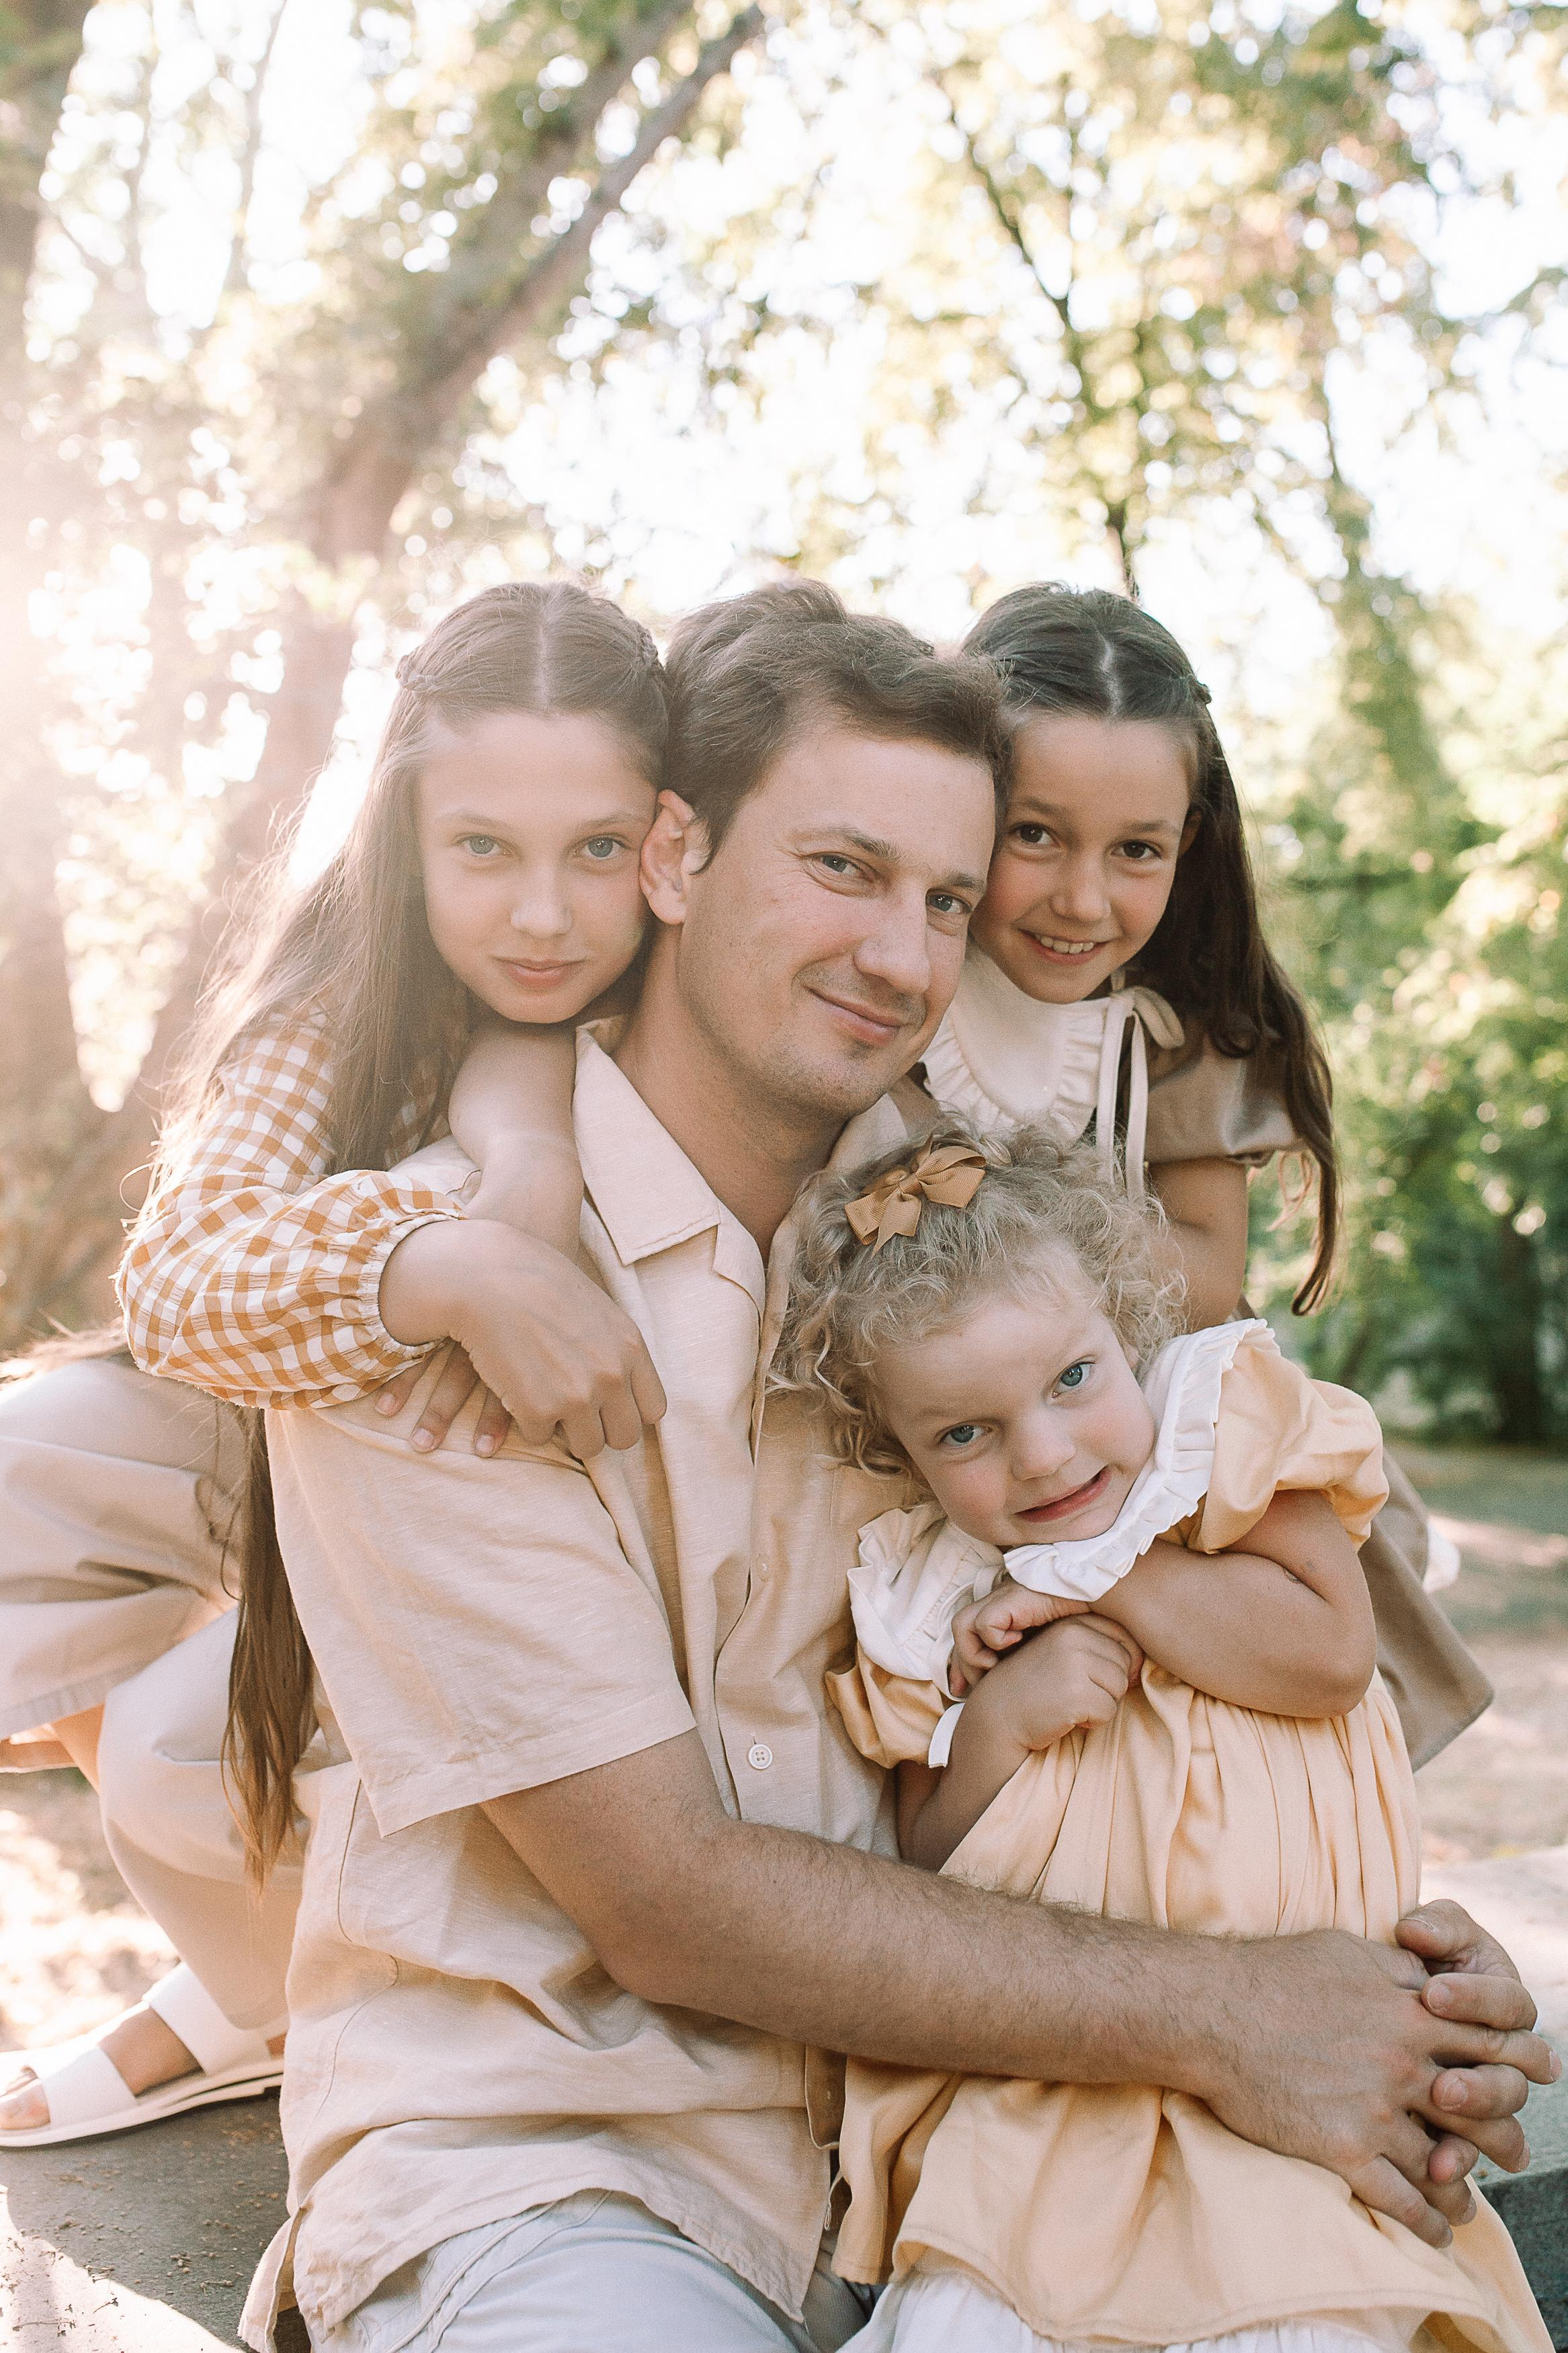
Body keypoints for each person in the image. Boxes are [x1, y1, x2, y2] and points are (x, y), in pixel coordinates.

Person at [132, 584, 1544, 2353]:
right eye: (844, 869)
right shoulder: (446, 1289)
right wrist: (1229, 2007)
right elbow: (664, 1894)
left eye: (947, 897)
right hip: (567, 2154)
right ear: (672, 851)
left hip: (1011, 2123)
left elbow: (1268, 1643)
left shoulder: (976, 1254)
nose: (905, 953)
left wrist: (1387, 1975)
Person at [0, 575, 671, 2142]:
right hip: (293, 1413)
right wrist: (436, 1261)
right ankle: (253, 1969)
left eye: (598, 849)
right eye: (482, 849)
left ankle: (277, 1967)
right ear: (405, 839)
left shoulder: (703, 988)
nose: (543, 914)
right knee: (24, 1478)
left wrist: (518, 1183)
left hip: (508, 1501)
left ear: (671, 832)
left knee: (185, 1765)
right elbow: (180, 1286)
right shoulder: (342, 990)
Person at [772, 1122, 1549, 2353]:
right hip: (1054, 2095)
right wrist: (1000, 1725)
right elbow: (922, 1865)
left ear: (1126, 1331)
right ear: (899, 1450)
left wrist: (1104, 1582)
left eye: (1072, 1378)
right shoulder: (933, 1593)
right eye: (962, 1435)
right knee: (983, 2319)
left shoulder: (1215, 1437)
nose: (1041, 1454)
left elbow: (1327, 1656)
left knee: (1295, 2321)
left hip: (1305, 2062)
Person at [0, 1332, 292, 2143]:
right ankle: (249, 1966)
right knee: (20, 1461)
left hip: (454, 1405)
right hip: (288, 1339)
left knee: (164, 1745)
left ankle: (289, 1992)